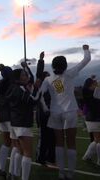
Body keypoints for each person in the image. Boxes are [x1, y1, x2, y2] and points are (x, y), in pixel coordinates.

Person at [40, 44, 91, 180]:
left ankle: (61, 172)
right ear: (65, 65)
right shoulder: (70, 73)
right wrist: (85, 49)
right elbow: (86, 60)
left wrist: (45, 108)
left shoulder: (48, 79)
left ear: (53, 66)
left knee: (59, 142)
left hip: (55, 113)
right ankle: (71, 173)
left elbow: (40, 95)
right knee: (71, 142)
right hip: (70, 112)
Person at [7, 68, 39, 180]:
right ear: (18, 78)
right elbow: (32, 102)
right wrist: (36, 90)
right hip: (22, 124)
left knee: (19, 151)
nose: (26, 77)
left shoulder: (12, 88)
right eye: (24, 75)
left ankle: (14, 174)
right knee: (27, 153)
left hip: (14, 123)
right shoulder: (20, 89)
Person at [35, 52, 55, 165]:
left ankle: (51, 157)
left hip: (52, 116)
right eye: (47, 76)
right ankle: (40, 157)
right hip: (43, 116)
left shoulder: (52, 87)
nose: (49, 78)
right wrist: (41, 60)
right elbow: (38, 74)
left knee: (52, 138)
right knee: (43, 138)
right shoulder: (41, 87)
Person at [0, 64, 13, 178]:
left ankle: (1, 168)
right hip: (12, 117)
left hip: (2, 117)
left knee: (6, 143)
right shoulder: (12, 85)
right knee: (17, 145)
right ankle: (13, 171)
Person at [82, 77, 100, 166]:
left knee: (96, 140)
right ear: (90, 85)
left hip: (91, 119)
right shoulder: (93, 93)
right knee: (98, 140)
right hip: (95, 119)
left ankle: (87, 156)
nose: (95, 84)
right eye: (93, 84)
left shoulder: (88, 93)